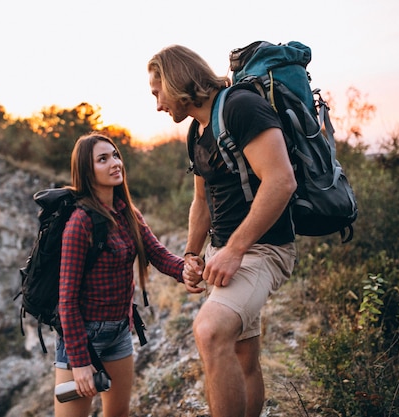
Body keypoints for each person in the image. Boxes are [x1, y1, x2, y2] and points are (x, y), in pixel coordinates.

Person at [148, 45, 298, 417]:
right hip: (225, 252)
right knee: (242, 357)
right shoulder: (197, 130)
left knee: (210, 331)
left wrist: (234, 250)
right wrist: (192, 254)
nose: (157, 105)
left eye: (157, 93)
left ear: (175, 81)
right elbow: (202, 201)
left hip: (263, 250)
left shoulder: (240, 107)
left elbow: (280, 181)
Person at [54, 132, 203, 417]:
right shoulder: (79, 223)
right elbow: (66, 300)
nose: (115, 163)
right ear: (87, 170)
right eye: (103, 159)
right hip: (83, 336)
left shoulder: (127, 213)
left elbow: (158, 254)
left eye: (115, 156)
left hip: (120, 331)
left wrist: (185, 271)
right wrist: (80, 361)